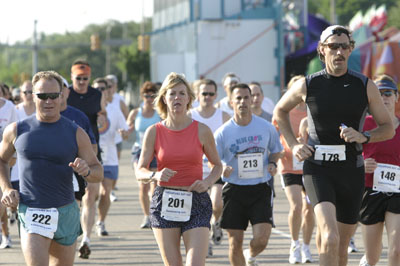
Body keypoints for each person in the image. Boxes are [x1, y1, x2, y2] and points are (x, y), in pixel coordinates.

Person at [273, 25, 394, 266]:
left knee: (340, 246)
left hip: (351, 170)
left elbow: (388, 128)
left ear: (351, 50)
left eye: (344, 47)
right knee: (329, 236)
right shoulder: (308, 84)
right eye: (333, 47)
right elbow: (280, 111)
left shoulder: (365, 85)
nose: (339, 52)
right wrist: (295, 144)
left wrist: (364, 136)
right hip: (318, 169)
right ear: (322, 50)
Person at [0, 70, 103, 266]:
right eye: (42, 96)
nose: (48, 101)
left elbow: (97, 172)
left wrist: (86, 171)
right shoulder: (16, 130)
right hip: (32, 211)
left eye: (53, 96)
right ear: (33, 96)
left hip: (66, 212)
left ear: (62, 95)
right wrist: (6, 188)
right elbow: (1, 160)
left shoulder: (76, 133)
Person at [135, 72, 223, 266]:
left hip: (196, 200)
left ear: (189, 99)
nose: (177, 98)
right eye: (172, 93)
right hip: (165, 201)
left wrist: (207, 182)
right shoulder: (154, 131)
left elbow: (217, 165)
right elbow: (139, 170)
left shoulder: (202, 130)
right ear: (164, 99)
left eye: (182, 93)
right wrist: (155, 174)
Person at [214, 83, 283, 266]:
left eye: (246, 97)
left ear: (252, 99)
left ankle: (250, 254)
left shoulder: (266, 127)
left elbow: (276, 150)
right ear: (231, 102)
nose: (243, 101)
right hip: (234, 190)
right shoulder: (222, 132)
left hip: (261, 188)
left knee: (261, 239)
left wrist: (273, 162)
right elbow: (213, 160)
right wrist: (222, 167)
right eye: (238, 98)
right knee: (234, 242)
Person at [272, 75, 315, 264]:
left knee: (310, 208)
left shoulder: (313, 110)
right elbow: (273, 137)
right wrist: (279, 152)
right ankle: (294, 244)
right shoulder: (284, 111)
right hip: (289, 165)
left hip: (310, 165)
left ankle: (306, 246)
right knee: (297, 205)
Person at [359, 75, 400, 266]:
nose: (384, 97)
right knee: (372, 257)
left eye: (388, 93)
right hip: (370, 190)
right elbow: (349, 154)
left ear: (396, 97)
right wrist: (360, 163)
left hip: (397, 192)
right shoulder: (363, 124)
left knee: (397, 250)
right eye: (379, 93)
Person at [67, 59, 105, 259]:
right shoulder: (65, 94)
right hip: (69, 153)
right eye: (78, 78)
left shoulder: (97, 94)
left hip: (91, 149)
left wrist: (103, 119)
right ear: (71, 77)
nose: (82, 82)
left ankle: (86, 239)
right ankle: (72, 235)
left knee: (92, 196)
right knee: (74, 199)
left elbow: (103, 116)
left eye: (85, 79)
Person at [189, 78, 230, 256]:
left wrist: (229, 162)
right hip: (196, 171)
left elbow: (231, 143)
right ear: (198, 95)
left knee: (216, 203)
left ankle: (217, 221)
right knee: (200, 209)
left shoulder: (224, 116)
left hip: (216, 169)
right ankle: (205, 243)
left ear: (216, 95)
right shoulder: (190, 116)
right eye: (204, 93)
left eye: (211, 94)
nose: (207, 97)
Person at [93, 78, 130, 236]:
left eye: (104, 88)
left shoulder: (114, 109)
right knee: (92, 194)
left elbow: (126, 131)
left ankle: (100, 222)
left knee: (105, 192)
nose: (101, 91)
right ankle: (88, 218)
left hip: (110, 157)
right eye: (98, 88)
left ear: (109, 90)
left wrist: (124, 133)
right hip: (91, 156)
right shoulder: (88, 109)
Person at [127, 81, 160, 229]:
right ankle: (146, 216)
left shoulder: (160, 113)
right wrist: (124, 132)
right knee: (142, 186)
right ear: (142, 96)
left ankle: (154, 214)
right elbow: (127, 129)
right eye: (147, 96)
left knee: (154, 186)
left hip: (155, 151)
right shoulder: (136, 112)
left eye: (152, 96)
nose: (149, 99)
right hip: (139, 150)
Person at [59, 77, 97, 202]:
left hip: (74, 171)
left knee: (73, 211)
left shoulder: (79, 116)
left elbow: (92, 146)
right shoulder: (36, 119)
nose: (58, 92)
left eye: (62, 88)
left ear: (68, 91)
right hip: (49, 172)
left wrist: (86, 164)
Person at [0, 87, 18, 249]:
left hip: (3, 158)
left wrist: (13, 157)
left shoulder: (9, 107)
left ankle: (5, 235)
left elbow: (16, 132)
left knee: (2, 200)